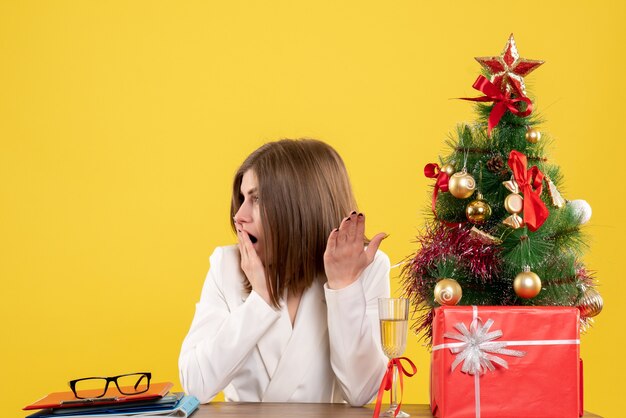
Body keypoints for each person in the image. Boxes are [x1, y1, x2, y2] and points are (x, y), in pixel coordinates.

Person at [178, 138, 390, 405]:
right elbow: (195, 384)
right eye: (242, 198)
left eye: (256, 199)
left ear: (300, 206)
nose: (239, 216)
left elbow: (361, 393)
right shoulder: (226, 265)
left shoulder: (368, 268)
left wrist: (343, 287)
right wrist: (260, 301)